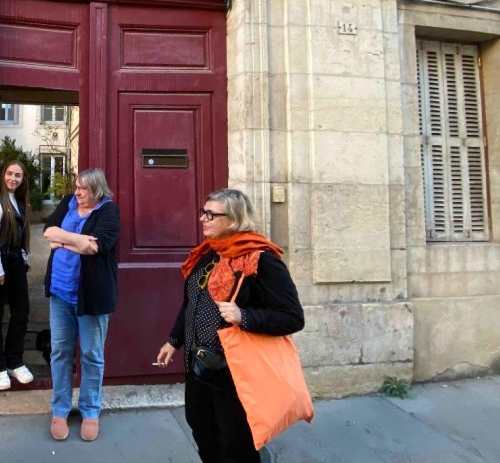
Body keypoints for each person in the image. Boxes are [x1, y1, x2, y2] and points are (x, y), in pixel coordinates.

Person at [156, 188, 304, 463]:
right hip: (199, 364)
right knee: (201, 428)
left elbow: (293, 316)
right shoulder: (206, 254)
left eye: (211, 214)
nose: (202, 218)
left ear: (234, 219)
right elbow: (192, 303)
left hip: (235, 372)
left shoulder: (261, 259)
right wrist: (174, 340)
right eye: (203, 212)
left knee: (236, 442)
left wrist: (244, 316)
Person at [42, 168, 120, 442]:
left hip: (92, 296)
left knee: (91, 355)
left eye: (83, 189)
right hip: (60, 292)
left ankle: (89, 411)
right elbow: (47, 230)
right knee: (60, 352)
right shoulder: (67, 203)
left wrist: (61, 241)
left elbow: (96, 247)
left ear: (97, 190)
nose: (77, 193)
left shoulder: (108, 211)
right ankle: (60, 409)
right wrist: (75, 241)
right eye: (76, 187)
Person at [0, 160, 34, 390]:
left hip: (15, 264)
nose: (13, 178)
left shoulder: (19, 201)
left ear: (23, 180)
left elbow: (19, 234)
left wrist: (23, 255)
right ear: (2, 175)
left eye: (18, 175)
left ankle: (15, 361)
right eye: (10, 174)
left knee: (21, 311)